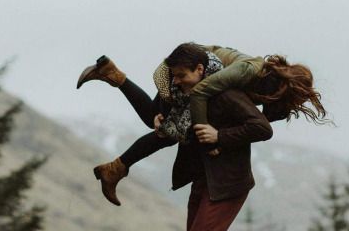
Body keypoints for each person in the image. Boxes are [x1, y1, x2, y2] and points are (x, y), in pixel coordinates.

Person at [76, 43, 326, 206]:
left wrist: (220, 135)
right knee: (169, 130)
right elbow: (201, 92)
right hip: (185, 72)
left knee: (161, 124)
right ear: (284, 85)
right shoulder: (248, 72)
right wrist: (209, 139)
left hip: (193, 74)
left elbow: (255, 121)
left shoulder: (267, 91)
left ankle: (112, 77)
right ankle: (114, 168)